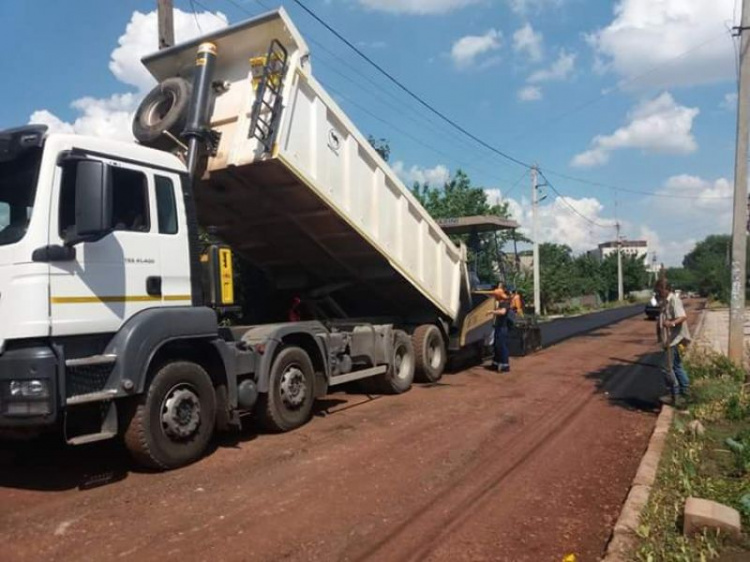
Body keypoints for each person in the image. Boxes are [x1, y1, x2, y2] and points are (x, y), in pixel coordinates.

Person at [655, 279, 691, 406]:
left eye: (659, 290)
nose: (658, 292)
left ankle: (675, 394)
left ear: (665, 289)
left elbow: (683, 316)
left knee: (667, 368)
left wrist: (671, 323)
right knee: (676, 366)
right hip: (669, 340)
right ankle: (685, 391)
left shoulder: (674, 300)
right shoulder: (664, 302)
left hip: (674, 339)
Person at [488, 282, 513, 372]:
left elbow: (502, 312)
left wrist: (492, 312)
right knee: (497, 345)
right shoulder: (500, 301)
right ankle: (496, 363)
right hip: (498, 327)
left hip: (503, 327)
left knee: (502, 346)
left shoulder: (505, 301)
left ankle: (504, 365)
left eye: (498, 287)